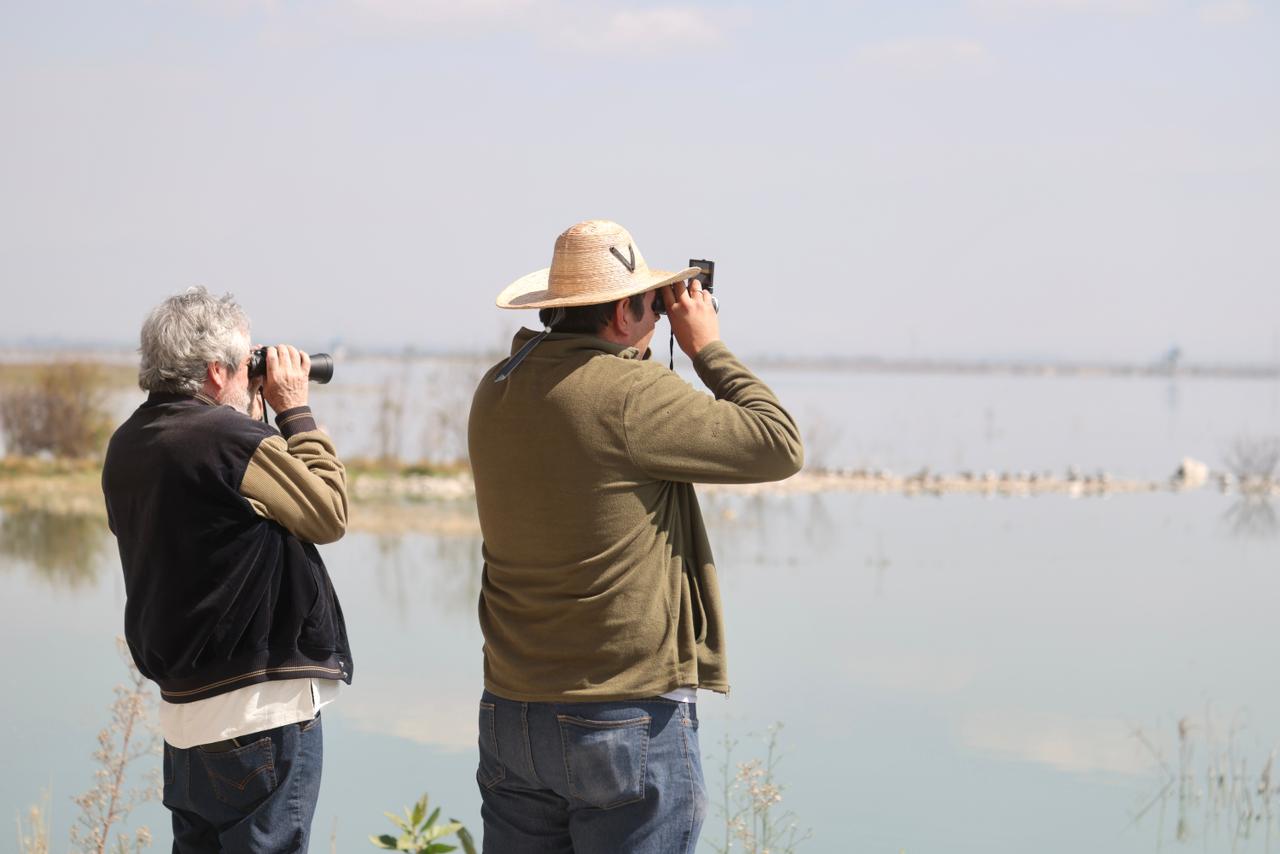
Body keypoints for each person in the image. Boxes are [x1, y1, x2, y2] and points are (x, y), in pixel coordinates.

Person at [468, 219, 804, 853]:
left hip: (511, 710)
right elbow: (778, 444)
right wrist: (706, 347)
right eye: (653, 307)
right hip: (622, 718)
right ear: (623, 311)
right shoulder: (632, 393)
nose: (660, 321)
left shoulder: (497, 386)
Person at [101, 286, 352, 853]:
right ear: (217, 372)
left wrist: (254, 418)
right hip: (258, 715)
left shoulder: (129, 443)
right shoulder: (228, 440)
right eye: (244, 365)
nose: (250, 373)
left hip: (186, 721)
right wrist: (294, 411)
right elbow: (329, 512)